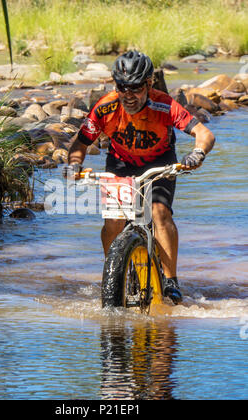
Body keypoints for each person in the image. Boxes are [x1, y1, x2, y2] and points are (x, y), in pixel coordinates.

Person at [63, 50, 215, 304]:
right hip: (120, 164)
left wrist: (197, 154)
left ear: (148, 84)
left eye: (135, 88)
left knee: (159, 212)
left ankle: (170, 280)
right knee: (113, 220)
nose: (128, 95)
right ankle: (114, 276)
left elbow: (205, 134)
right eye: (122, 87)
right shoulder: (105, 107)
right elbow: (79, 145)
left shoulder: (164, 104)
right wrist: (74, 165)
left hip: (160, 163)